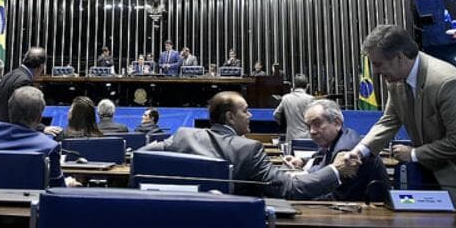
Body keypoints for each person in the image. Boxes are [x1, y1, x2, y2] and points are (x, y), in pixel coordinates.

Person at [348, 24, 456, 202]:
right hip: (433, 173)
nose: (375, 71)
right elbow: (389, 121)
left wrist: (414, 154)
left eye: (378, 64)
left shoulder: (448, 83)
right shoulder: (395, 80)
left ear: (399, 58)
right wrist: (359, 152)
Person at [141, 91, 359, 198]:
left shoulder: (182, 136)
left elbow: (141, 156)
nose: (250, 115)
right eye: (245, 111)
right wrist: (335, 170)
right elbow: (290, 189)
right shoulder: (248, 149)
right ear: (230, 117)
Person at [283, 99, 388, 201]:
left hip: (371, 209)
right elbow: (321, 156)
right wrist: (302, 161)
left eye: (317, 123)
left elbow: (336, 197)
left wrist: (294, 193)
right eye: (308, 126)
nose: (312, 131)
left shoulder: (346, 153)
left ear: (337, 123)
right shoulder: (338, 138)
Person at [0, 86, 77, 187]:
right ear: (40, 118)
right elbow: (56, 188)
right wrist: (67, 183)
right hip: (27, 198)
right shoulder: (49, 147)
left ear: (10, 111)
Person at [0, 47, 46, 123]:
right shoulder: (24, 81)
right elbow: (24, 113)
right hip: (13, 127)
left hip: (1, 124)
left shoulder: (9, 75)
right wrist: (42, 127)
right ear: (41, 66)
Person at [273, 74, 314, 142]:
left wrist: (283, 124)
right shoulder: (310, 99)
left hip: (291, 138)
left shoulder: (286, 98)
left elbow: (276, 114)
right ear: (307, 86)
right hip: (307, 138)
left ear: (294, 85)